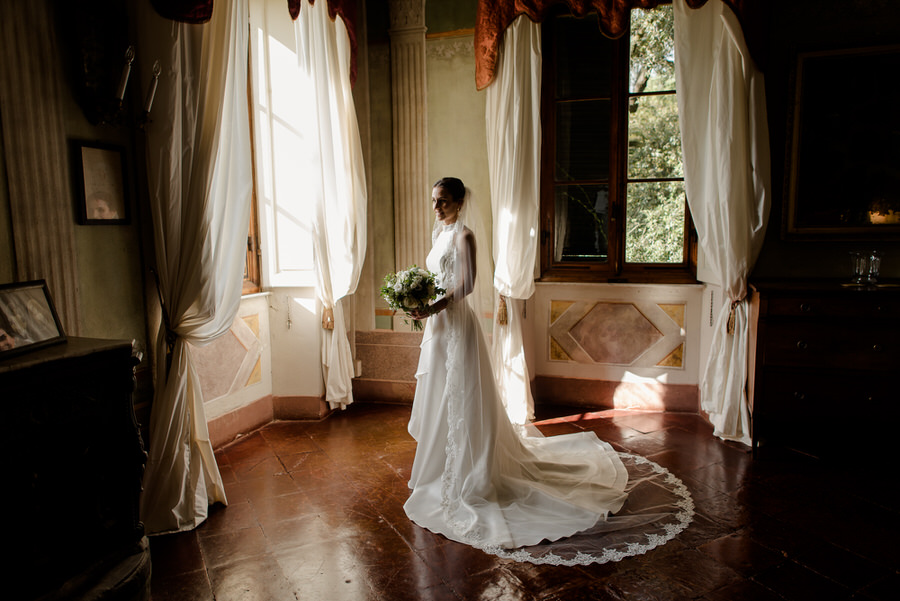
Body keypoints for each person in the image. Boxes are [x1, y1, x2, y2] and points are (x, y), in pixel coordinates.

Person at [403, 177, 637, 558]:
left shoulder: (465, 237)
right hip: (437, 325)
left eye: (443, 202)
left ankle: (471, 473)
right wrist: (419, 297)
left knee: (461, 394)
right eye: (434, 201)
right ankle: (436, 468)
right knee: (439, 393)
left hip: (456, 324)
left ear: (460, 202)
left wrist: (432, 306)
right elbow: (437, 279)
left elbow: (465, 285)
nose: (436, 208)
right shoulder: (439, 235)